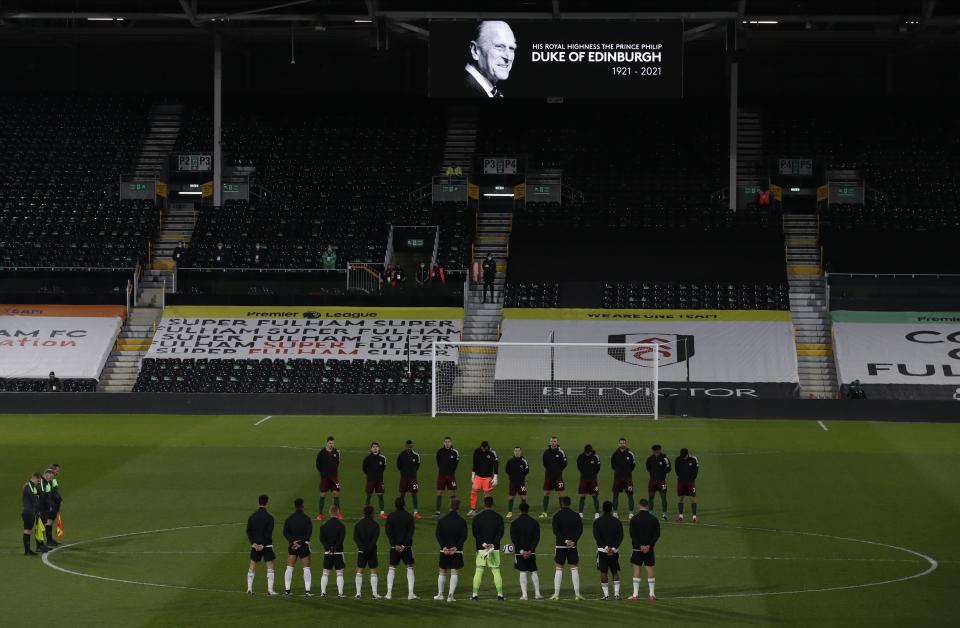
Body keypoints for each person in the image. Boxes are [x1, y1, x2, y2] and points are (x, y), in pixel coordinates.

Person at [463, 21, 517, 98]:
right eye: (499, 47)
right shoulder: (464, 91)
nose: (508, 57)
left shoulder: (488, 90)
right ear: (475, 51)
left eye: (512, 48)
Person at [470, 496, 505, 601]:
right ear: (492, 504)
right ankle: (500, 595)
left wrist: (484, 544)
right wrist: (493, 544)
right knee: (496, 571)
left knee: (479, 570)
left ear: (484, 504)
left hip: (481, 549)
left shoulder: (477, 517)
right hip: (495, 548)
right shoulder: (499, 517)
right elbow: (500, 533)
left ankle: (475, 595)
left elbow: (475, 534)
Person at [550, 496, 584, 600]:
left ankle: (556, 594)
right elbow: (580, 530)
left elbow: (556, 531)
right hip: (572, 546)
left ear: (561, 504)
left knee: (559, 568)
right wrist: (573, 541)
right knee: (574, 568)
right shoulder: (576, 516)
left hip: (560, 545)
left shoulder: (556, 516)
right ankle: (577, 594)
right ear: (570, 503)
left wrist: (565, 541)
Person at [435, 498, 468, 602]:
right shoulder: (462, 521)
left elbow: (438, 535)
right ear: (458, 507)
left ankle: (440, 594)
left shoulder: (442, 520)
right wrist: (456, 547)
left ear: (450, 505)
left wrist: (444, 546)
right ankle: (450, 596)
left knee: (442, 571)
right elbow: (464, 536)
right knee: (454, 572)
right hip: (456, 551)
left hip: (443, 551)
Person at [628, 499, 661, 601]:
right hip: (649, 549)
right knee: (649, 569)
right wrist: (649, 546)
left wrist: (640, 546)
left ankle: (635, 595)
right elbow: (657, 535)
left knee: (637, 570)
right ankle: (652, 594)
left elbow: (632, 535)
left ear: (639, 505)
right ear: (648, 506)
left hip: (637, 549)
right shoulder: (654, 519)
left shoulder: (634, 518)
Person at [385, 497, 417, 600]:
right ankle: (410, 594)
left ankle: (389, 594)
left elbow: (388, 532)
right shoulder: (409, 516)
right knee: (410, 567)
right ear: (404, 505)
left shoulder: (390, 516)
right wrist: (404, 545)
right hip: (407, 547)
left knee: (392, 568)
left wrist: (395, 544)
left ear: (395, 505)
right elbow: (410, 532)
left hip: (394, 547)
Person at [509, 502, 542, 600]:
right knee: (533, 571)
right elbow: (537, 538)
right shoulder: (534, 522)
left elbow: (514, 539)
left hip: (520, 552)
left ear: (520, 510)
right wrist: (530, 550)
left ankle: (524, 595)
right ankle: (537, 594)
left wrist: (521, 550)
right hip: (531, 552)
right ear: (528, 510)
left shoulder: (514, 523)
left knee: (522, 571)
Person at [246, 494, 277, 595]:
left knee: (253, 564)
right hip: (266, 545)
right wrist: (263, 544)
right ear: (267, 502)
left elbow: (248, 531)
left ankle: (249, 588)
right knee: (270, 565)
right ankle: (270, 590)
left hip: (255, 545)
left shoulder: (252, 517)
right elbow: (269, 533)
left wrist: (253, 543)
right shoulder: (270, 518)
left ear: (259, 502)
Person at [282, 497, 313, 596]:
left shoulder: (289, 519)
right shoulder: (307, 518)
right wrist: (300, 542)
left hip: (293, 546)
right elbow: (309, 534)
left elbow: (285, 533)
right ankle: (307, 591)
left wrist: (293, 542)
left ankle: (287, 590)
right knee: (306, 568)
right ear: (302, 506)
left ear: (295, 506)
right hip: (303, 546)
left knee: (289, 567)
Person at [593, 501, 624, 600]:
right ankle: (616, 594)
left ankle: (606, 595)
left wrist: (606, 548)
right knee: (615, 572)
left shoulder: (597, 522)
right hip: (614, 552)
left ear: (603, 509)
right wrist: (613, 548)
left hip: (602, 551)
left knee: (603, 572)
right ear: (611, 509)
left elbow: (597, 537)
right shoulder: (617, 521)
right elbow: (620, 536)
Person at [353, 505, 381, 599]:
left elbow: (355, 538)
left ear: (364, 513)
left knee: (359, 571)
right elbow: (375, 538)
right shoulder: (375, 524)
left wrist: (361, 547)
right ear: (372, 513)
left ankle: (358, 593)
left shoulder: (358, 524)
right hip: (372, 550)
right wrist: (369, 547)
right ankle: (374, 594)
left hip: (362, 550)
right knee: (373, 571)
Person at [319, 505, 347, 598]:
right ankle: (340, 593)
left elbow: (322, 539)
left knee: (325, 573)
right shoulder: (341, 526)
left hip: (328, 552)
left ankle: (323, 592)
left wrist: (328, 548)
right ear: (338, 512)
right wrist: (334, 548)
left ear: (329, 512)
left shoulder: (324, 525)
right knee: (339, 573)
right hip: (338, 552)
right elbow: (341, 539)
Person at [315, 436, 342, 521]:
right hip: (325, 477)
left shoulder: (336, 452)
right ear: (326, 443)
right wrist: (323, 472)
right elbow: (318, 465)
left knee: (336, 494)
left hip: (334, 477)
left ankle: (338, 513)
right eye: (330, 443)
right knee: (322, 495)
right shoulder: (321, 453)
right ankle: (320, 514)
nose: (331, 445)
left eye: (333, 443)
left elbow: (337, 463)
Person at [469, 440, 499, 516]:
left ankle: (487, 510)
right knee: (473, 491)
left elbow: (496, 465)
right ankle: (473, 510)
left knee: (487, 493)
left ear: (487, 447)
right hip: (478, 476)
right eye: (482, 448)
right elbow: (474, 463)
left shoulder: (493, 453)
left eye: (484, 448)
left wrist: (495, 477)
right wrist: (473, 475)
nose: (483, 449)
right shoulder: (477, 451)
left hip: (487, 477)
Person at [541, 435, 567, 518]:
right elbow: (544, 463)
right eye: (552, 441)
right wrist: (550, 470)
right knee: (546, 493)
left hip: (558, 476)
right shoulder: (546, 452)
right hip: (548, 475)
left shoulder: (561, 452)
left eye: (555, 441)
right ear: (549, 442)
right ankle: (544, 512)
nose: (553, 442)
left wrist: (558, 470)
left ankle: (563, 511)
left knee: (560, 493)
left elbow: (564, 463)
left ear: (557, 442)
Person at [611, 438, 637, 518]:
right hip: (617, 478)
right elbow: (613, 466)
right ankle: (615, 512)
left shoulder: (630, 454)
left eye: (623, 443)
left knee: (630, 495)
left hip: (627, 479)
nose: (622, 444)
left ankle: (631, 513)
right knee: (615, 495)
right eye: (621, 443)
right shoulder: (614, 454)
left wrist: (628, 472)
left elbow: (633, 465)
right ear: (618, 444)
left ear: (626, 444)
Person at [397, 440, 423, 519]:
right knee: (402, 494)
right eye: (407, 446)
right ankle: (400, 510)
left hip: (413, 479)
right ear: (405, 446)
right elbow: (398, 465)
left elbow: (417, 466)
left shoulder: (416, 455)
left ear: (412, 446)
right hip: (404, 478)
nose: (408, 448)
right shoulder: (401, 455)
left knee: (414, 494)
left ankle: (415, 512)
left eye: (410, 447)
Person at [362, 442, 388, 520]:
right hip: (370, 480)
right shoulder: (367, 458)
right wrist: (369, 474)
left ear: (379, 448)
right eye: (373, 447)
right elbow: (364, 469)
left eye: (376, 447)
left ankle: (382, 513)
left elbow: (383, 468)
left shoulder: (383, 458)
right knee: (368, 496)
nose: (375, 448)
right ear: (371, 449)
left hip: (379, 480)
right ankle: (366, 513)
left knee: (380, 496)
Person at [435, 436, 460, 516]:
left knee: (452, 492)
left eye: (448, 442)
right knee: (439, 492)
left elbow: (456, 464)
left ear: (451, 443)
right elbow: (438, 462)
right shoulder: (440, 452)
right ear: (443, 443)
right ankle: (437, 511)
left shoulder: (455, 452)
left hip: (451, 475)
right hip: (441, 475)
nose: (447, 443)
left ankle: (452, 510)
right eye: (445, 442)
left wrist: (451, 470)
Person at [645, 444, 671, 520]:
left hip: (661, 481)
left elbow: (669, 468)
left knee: (663, 497)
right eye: (654, 451)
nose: (656, 452)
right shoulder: (650, 459)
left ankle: (664, 514)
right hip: (652, 481)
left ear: (660, 450)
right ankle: (650, 512)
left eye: (657, 450)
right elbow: (648, 468)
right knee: (651, 497)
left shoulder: (665, 458)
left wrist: (662, 473)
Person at [675, 448, 700, 523]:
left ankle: (694, 517)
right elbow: (677, 470)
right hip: (681, 481)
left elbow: (696, 469)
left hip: (690, 482)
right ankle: (680, 516)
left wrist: (692, 477)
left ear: (687, 454)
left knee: (692, 498)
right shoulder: (678, 459)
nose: (682, 456)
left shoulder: (693, 459)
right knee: (680, 498)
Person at [577, 444, 602, 520]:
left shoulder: (595, 457)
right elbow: (579, 466)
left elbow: (598, 467)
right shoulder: (581, 456)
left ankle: (597, 513)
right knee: (582, 496)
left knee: (594, 496)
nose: (587, 454)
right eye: (586, 452)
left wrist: (593, 474)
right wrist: (584, 472)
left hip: (593, 479)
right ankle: (580, 513)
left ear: (591, 451)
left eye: (589, 452)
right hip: (583, 479)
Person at [21, 472, 44, 556]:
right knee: (27, 531)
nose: (39, 482)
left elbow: (37, 498)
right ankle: (27, 551)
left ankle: (28, 550)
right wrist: (36, 497)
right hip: (28, 512)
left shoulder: (31, 486)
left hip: (30, 512)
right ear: (34, 477)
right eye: (38, 480)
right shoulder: (28, 486)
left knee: (28, 531)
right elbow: (33, 498)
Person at [505, 446, 529, 519]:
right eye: (516, 451)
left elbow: (527, 470)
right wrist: (512, 476)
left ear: (520, 452)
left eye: (518, 451)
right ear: (514, 452)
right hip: (512, 482)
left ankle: (524, 512)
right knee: (511, 497)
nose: (517, 452)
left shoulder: (524, 461)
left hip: (521, 482)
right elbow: (507, 470)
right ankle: (509, 512)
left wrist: (521, 476)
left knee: (523, 497)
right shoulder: (510, 461)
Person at [38, 469, 57, 546]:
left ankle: (42, 544)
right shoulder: (42, 483)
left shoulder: (46, 483)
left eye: (52, 478)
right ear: (46, 474)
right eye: (50, 477)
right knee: (40, 526)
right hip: (41, 508)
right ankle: (40, 545)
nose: (51, 479)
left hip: (44, 508)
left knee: (42, 526)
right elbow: (43, 497)